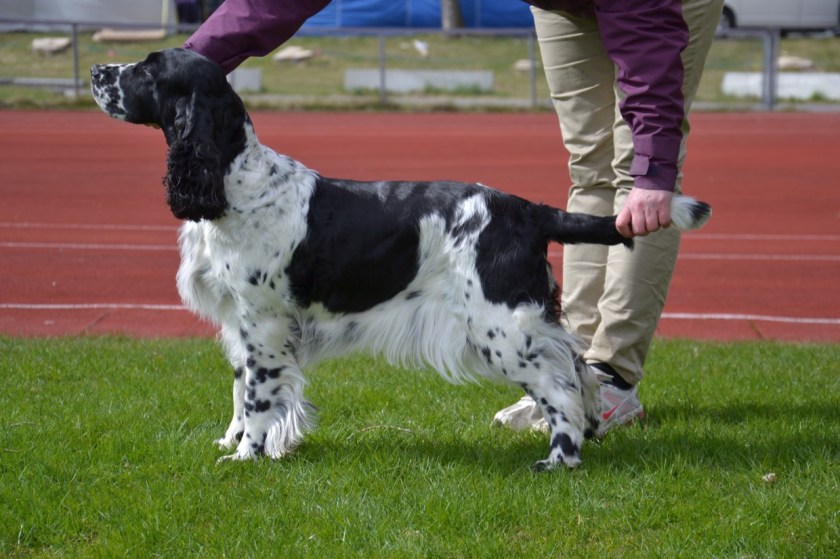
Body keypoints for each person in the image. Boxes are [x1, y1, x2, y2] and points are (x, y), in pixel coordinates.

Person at [183, 0, 723, 434]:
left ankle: (612, 378)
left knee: (638, 180)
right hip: (561, 5)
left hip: (650, 8)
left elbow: (647, 35)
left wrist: (654, 170)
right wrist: (192, 61)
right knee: (591, 166)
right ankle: (570, 373)